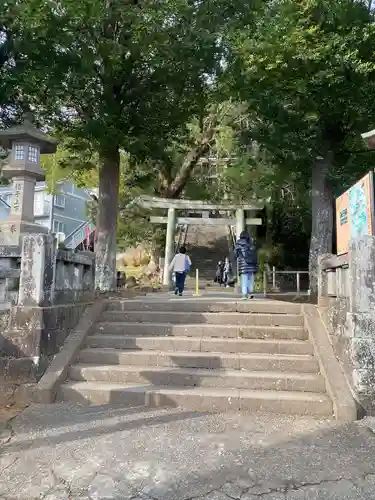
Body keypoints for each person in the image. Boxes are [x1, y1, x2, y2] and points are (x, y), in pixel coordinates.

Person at [234, 231, 258, 299]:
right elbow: (255, 255)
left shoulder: (239, 243)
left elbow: (235, 254)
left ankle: (244, 295)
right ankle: (250, 293)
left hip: (243, 266)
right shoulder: (251, 243)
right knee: (250, 279)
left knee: (244, 279)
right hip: (252, 265)